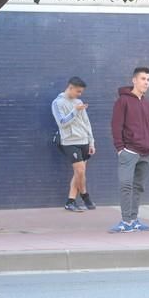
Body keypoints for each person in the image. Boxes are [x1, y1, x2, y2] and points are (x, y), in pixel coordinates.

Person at [109, 67, 149, 233]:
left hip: (147, 153)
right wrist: (120, 148)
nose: (146, 82)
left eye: (148, 79)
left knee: (138, 187)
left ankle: (134, 220)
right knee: (126, 185)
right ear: (134, 80)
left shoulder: (148, 104)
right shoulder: (123, 101)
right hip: (129, 152)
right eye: (143, 79)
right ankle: (125, 221)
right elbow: (116, 126)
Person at [51, 76, 96, 212]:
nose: (79, 94)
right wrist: (76, 110)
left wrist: (91, 142)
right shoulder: (57, 103)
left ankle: (70, 201)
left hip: (84, 141)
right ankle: (85, 195)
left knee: (79, 173)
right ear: (70, 87)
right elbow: (62, 123)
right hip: (69, 142)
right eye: (78, 91)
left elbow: (86, 123)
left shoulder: (79, 101)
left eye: (81, 92)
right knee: (80, 171)